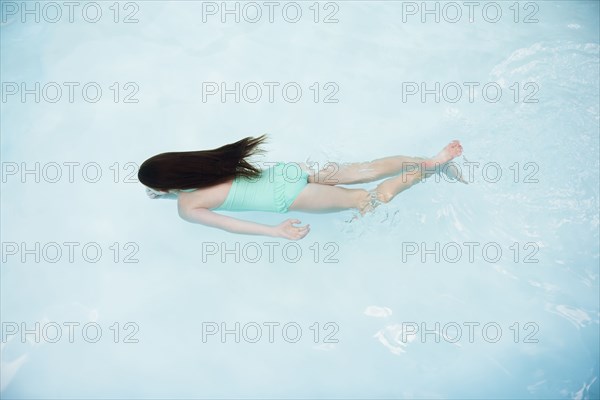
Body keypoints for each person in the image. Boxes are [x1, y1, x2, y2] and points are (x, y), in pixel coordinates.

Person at [138, 134, 465, 240]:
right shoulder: (204, 167)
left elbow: (230, 224)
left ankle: (431, 168)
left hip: (292, 196)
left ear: (171, 188)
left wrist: (275, 231)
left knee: (368, 201)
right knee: (366, 169)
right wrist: (164, 193)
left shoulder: (187, 207)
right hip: (290, 173)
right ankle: (429, 160)